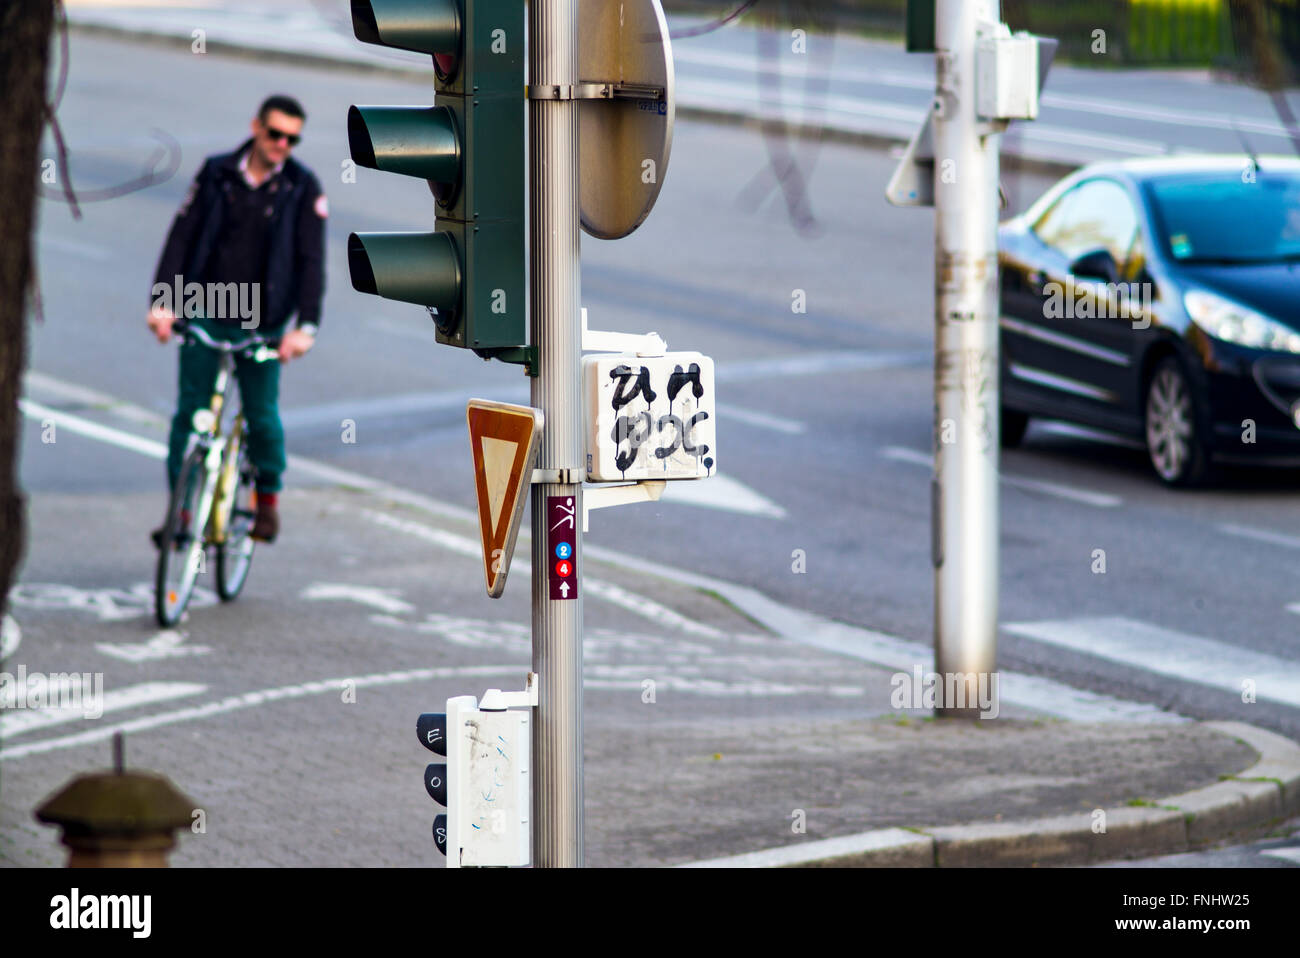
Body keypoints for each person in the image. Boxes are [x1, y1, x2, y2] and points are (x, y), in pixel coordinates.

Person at [147, 94, 325, 544]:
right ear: (256, 127)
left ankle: (266, 502)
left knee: (262, 416)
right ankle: (181, 516)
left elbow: (311, 262)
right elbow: (182, 235)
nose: (282, 144)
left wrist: (305, 328)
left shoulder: (303, 188)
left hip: (262, 320)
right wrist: (164, 301)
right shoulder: (216, 172)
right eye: (275, 133)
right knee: (190, 415)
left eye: (292, 138)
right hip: (209, 307)